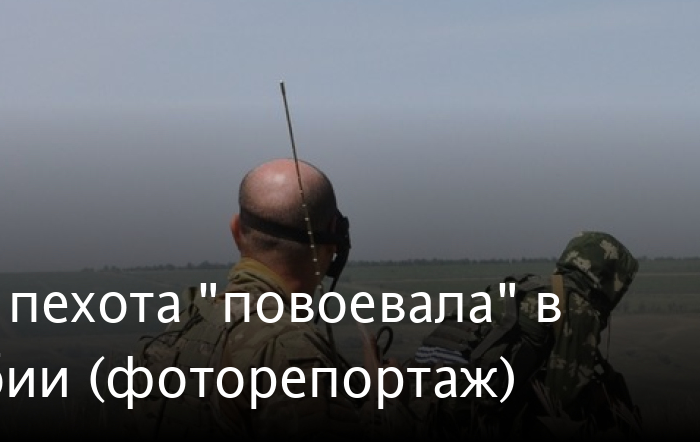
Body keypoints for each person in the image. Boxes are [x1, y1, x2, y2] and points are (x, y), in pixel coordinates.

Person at [131, 158, 408, 441]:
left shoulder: (187, 321)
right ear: (334, 241)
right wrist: (383, 401)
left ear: (236, 231)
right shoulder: (290, 349)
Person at [404, 231, 641, 440]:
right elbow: (561, 399)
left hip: (419, 394)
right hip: (464, 409)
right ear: (610, 280)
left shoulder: (527, 285)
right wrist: (599, 403)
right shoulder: (579, 308)